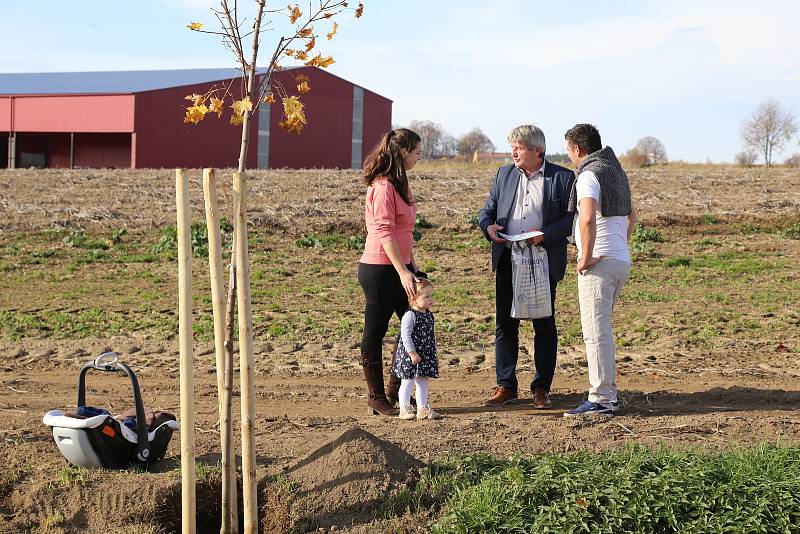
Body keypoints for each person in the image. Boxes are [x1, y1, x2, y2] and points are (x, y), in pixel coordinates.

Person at [478, 125, 576, 408]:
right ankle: (506, 386)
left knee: (544, 324)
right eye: (512, 147)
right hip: (509, 256)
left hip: (542, 259)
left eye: (519, 147)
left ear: (537, 150)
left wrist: (544, 234)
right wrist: (488, 227)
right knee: (505, 324)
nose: (513, 152)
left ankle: (541, 388)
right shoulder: (504, 174)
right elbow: (487, 210)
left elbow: (570, 220)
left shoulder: (563, 178)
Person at [562, 123, 636, 416]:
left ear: (578, 150)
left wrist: (585, 255)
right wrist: (621, 245)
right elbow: (633, 215)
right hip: (619, 260)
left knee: (595, 333)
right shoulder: (616, 171)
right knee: (601, 330)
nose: (569, 156)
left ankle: (603, 398)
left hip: (600, 264)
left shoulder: (588, 174)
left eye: (569, 151)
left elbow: (588, 216)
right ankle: (605, 394)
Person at [358, 128, 423, 416]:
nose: (420, 156)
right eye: (417, 151)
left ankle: (395, 390)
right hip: (381, 269)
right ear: (403, 151)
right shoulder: (383, 187)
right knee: (376, 328)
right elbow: (384, 232)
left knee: (414, 322)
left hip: (399, 266)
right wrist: (402, 271)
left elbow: (403, 231)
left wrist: (412, 265)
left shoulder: (400, 185)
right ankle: (376, 396)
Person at [393, 278, 442, 420]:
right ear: (413, 298)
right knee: (407, 380)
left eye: (431, 296)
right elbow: (405, 336)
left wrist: (434, 351)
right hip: (410, 354)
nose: (430, 300)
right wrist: (412, 353)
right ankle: (404, 408)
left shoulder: (428, 315)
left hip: (425, 353)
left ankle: (422, 408)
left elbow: (430, 335)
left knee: (423, 380)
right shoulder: (410, 315)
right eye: (426, 297)